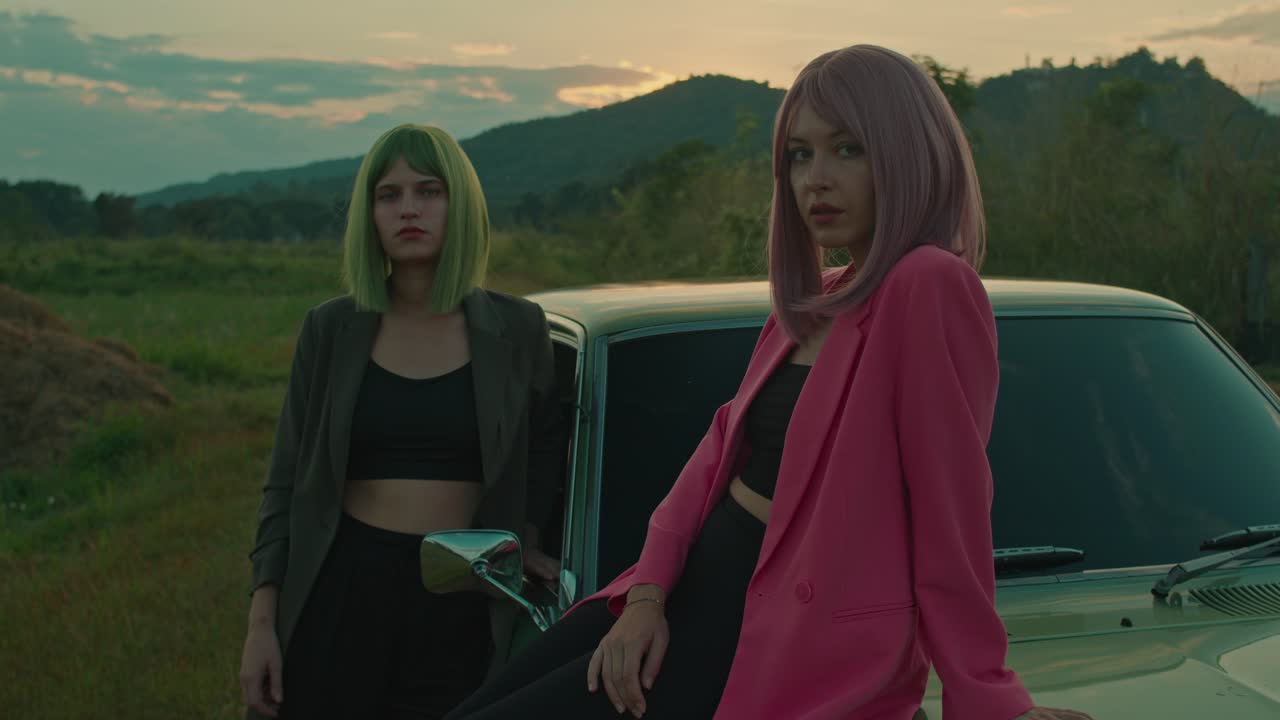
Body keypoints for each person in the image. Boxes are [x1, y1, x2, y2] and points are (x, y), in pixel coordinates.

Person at [443, 46, 1095, 720]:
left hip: (769, 629)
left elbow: (949, 508)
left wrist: (987, 696)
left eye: (848, 149)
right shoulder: (819, 299)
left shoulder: (930, 284)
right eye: (799, 155)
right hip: (690, 584)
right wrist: (647, 595)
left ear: (906, 153)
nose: (816, 179)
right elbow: (715, 455)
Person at [237, 123, 565, 720]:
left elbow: (544, 452)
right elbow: (286, 484)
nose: (408, 209)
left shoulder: (519, 329)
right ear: (369, 214)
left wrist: (528, 537)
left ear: (459, 204)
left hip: (466, 592)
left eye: (428, 191)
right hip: (344, 589)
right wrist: (262, 626)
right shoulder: (330, 329)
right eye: (388, 195)